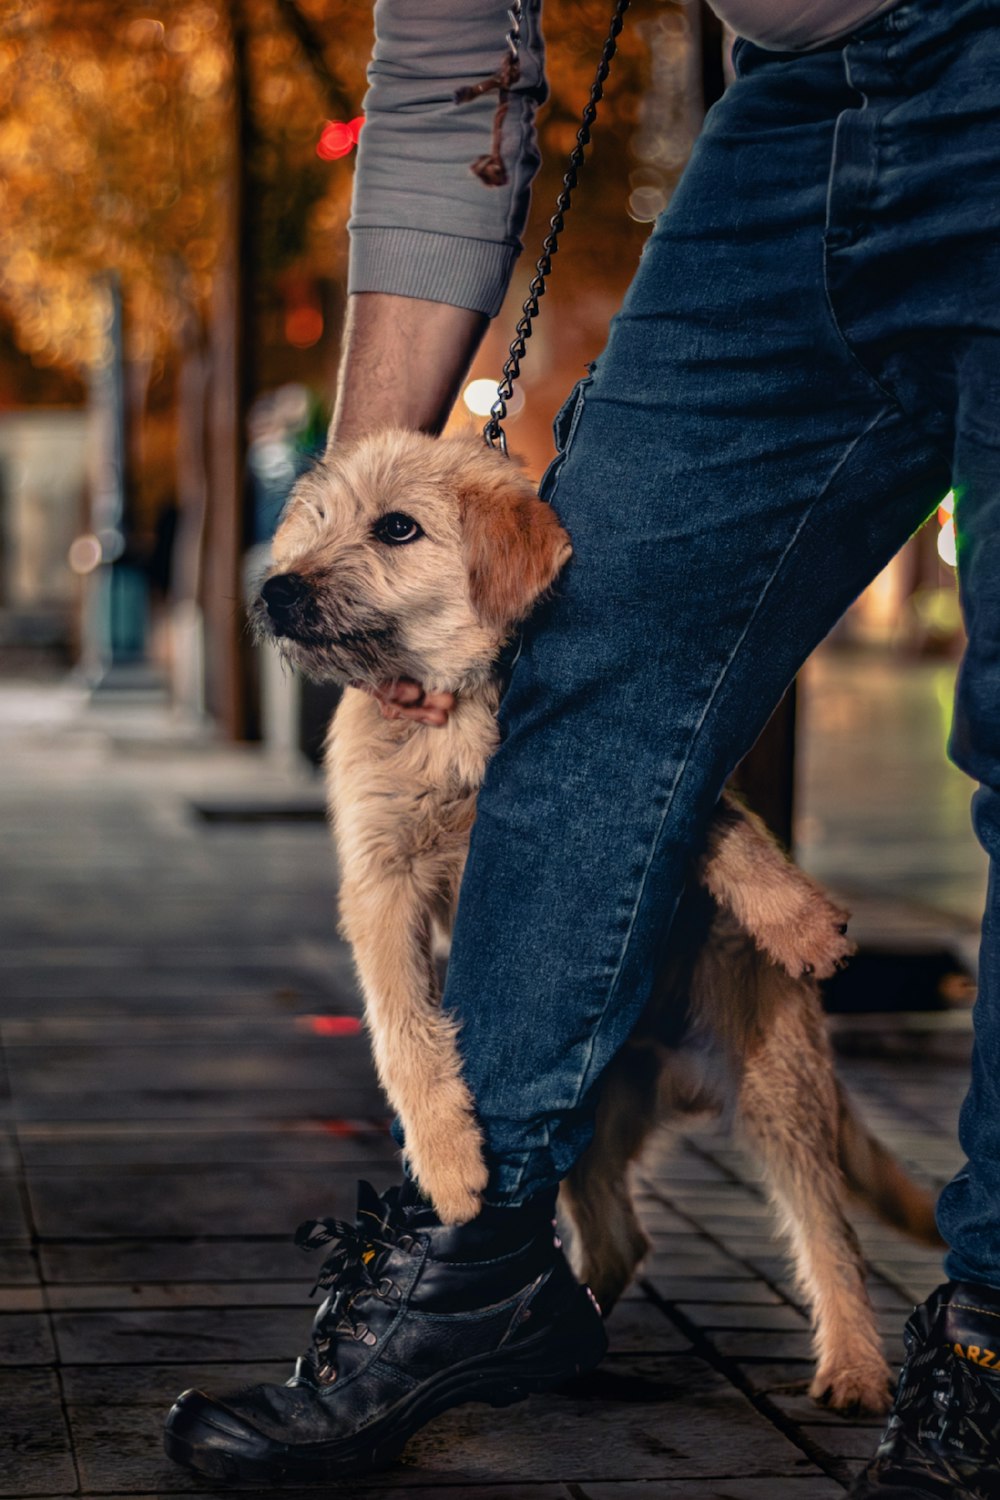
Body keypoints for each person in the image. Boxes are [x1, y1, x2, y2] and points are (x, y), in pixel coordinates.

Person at [164, 2, 1000, 1493]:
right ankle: (477, 1261)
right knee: (585, 663)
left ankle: (996, 1335)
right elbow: (443, 76)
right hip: (797, 118)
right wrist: (358, 517)